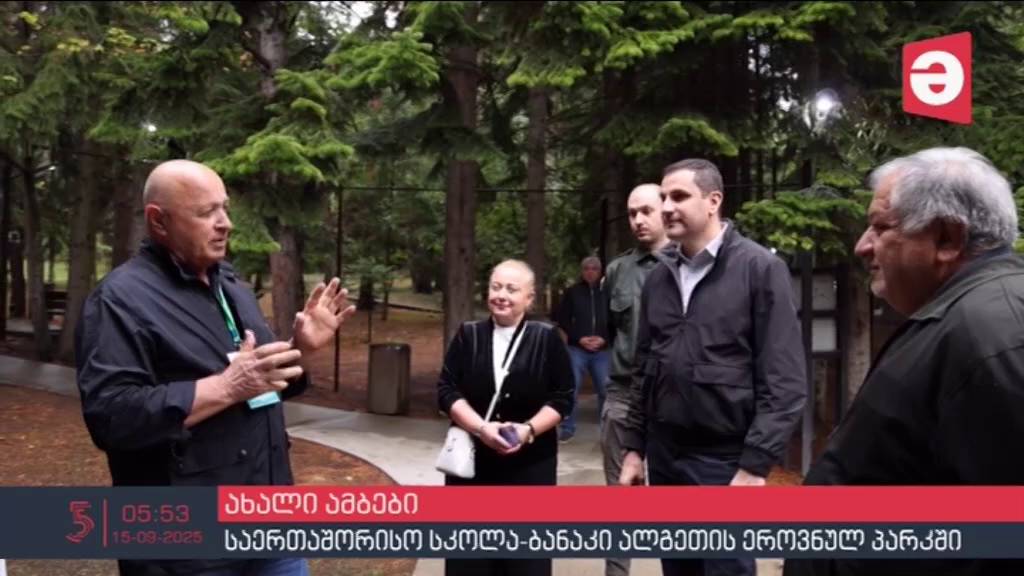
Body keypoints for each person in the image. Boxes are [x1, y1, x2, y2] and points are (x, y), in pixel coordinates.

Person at [75, 159, 356, 576]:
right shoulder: (120, 300)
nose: (225, 223)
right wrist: (227, 386)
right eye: (206, 212)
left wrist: (301, 349)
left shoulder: (231, 286)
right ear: (158, 221)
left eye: (224, 208)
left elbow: (260, 382)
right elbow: (112, 417)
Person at [784, 147, 1024, 576]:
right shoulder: (964, 315)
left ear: (947, 240)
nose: (862, 246)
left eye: (880, 227)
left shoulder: (992, 332)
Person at [620, 158, 807, 576]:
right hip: (666, 457)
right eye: (664, 197)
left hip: (723, 462)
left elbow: (785, 381)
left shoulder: (759, 269)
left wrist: (754, 466)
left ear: (713, 201)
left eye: (679, 196)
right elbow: (644, 368)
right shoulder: (660, 278)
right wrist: (634, 448)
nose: (667, 207)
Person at [437, 259, 574, 576]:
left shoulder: (546, 338)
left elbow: (563, 398)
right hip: (473, 468)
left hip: (530, 468)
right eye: (496, 287)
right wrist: (481, 428)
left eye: (512, 289)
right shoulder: (468, 335)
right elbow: (447, 390)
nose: (501, 295)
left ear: (529, 298)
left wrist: (528, 430)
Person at [601, 183, 673, 576]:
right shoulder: (618, 271)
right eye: (632, 214)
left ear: (667, 209)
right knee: (620, 496)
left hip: (675, 396)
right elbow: (613, 331)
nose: (638, 220)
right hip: (624, 392)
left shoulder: (687, 264)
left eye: (646, 211)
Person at [555, 256, 611, 442]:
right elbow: (562, 318)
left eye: (594, 268)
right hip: (577, 349)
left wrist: (604, 338)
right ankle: (568, 427)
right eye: (587, 268)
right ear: (582, 271)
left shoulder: (608, 292)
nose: (590, 272)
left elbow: (617, 320)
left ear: (600, 271)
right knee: (572, 388)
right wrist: (579, 338)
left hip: (603, 350)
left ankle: (606, 429)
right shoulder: (573, 292)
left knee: (605, 390)